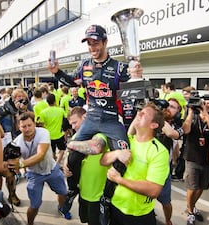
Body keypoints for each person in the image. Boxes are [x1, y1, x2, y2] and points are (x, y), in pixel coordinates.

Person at [47, 24, 143, 224]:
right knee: (72, 158)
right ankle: (73, 189)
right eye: (89, 43)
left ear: (105, 42)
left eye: (96, 42)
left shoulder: (119, 67)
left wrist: (137, 78)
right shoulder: (84, 65)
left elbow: (134, 95)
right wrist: (57, 72)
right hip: (90, 118)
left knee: (124, 158)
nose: (92, 47)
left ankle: (106, 198)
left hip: (110, 120)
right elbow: (72, 81)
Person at [100, 103, 170, 225]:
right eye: (139, 111)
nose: (138, 113)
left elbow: (154, 190)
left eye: (144, 114)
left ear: (153, 125)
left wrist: (119, 180)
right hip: (115, 206)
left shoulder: (159, 151)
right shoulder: (126, 141)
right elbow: (103, 160)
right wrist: (116, 153)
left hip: (139, 215)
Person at [13, 112, 70, 225]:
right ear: (19, 127)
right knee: (34, 205)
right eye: (24, 126)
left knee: (63, 192)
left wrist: (20, 165)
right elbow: (12, 160)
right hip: (34, 174)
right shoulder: (16, 142)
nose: (27, 128)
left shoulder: (43, 132)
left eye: (29, 125)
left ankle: (61, 208)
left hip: (52, 169)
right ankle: (30, 223)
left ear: (34, 124)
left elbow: (41, 155)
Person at [63, 106, 110, 225]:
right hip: (83, 191)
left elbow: (96, 147)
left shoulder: (100, 133)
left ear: (85, 117)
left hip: (98, 195)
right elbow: (69, 152)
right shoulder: (77, 136)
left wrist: (70, 145)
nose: (73, 127)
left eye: (75, 122)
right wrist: (65, 163)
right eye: (71, 124)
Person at [182, 98, 209, 225]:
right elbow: (185, 130)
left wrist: (206, 115)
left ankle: (192, 206)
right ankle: (190, 211)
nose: (207, 105)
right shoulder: (192, 119)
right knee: (192, 187)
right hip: (192, 158)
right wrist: (191, 112)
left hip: (207, 160)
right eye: (205, 103)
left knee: (202, 186)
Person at [156, 98, 184, 225]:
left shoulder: (175, 126)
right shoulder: (155, 118)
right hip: (145, 164)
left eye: (172, 107)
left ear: (178, 112)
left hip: (163, 168)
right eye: (166, 104)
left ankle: (168, 220)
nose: (167, 107)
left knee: (165, 201)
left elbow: (172, 134)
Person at [39, 94, 67, 164]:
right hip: (59, 134)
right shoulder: (60, 110)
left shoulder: (43, 112)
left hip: (48, 136)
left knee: (52, 151)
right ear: (55, 101)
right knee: (62, 150)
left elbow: (41, 125)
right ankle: (57, 163)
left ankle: (54, 163)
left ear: (47, 102)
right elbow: (66, 119)